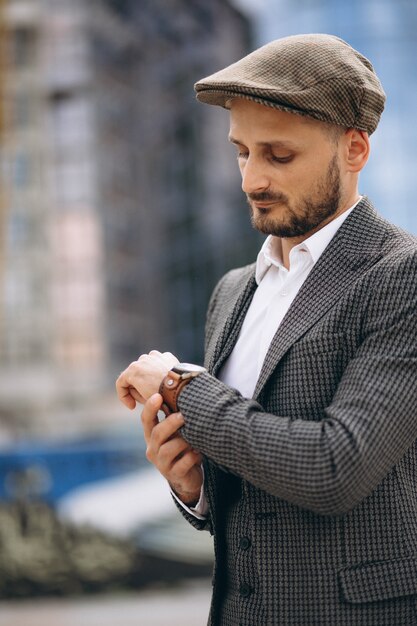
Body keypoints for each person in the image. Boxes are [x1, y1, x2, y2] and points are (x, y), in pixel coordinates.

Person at [116, 34, 417, 625]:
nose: (252, 180)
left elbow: (336, 467)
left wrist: (182, 387)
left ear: (354, 149)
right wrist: (194, 485)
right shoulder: (232, 291)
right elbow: (244, 466)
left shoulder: (401, 276)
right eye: (241, 152)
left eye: (279, 156)